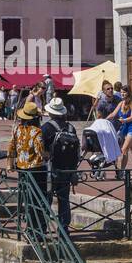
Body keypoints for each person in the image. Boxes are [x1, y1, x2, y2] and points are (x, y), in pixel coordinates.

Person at [42, 97, 79, 233]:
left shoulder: (47, 128)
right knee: (64, 200)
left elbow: (42, 149)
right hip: (68, 170)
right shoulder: (71, 127)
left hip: (52, 169)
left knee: (47, 199)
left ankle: (42, 228)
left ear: (50, 112)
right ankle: (64, 229)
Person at [8, 100, 49, 200]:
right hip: (35, 169)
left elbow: (11, 147)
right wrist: (49, 155)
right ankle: (34, 214)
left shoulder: (17, 129)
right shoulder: (37, 132)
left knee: (26, 195)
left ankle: (26, 213)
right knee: (37, 198)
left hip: (21, 166)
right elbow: (40, 152)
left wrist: (10, 164)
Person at [105, 86, 132, 170]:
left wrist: (124, 120)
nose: (122, 94)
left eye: (124, 92)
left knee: (124, 149)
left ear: (128, 93)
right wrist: (103, 120)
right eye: (121, 92)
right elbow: (113, 114)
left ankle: (121, 172)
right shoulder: (121, 103)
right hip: (125, 128)